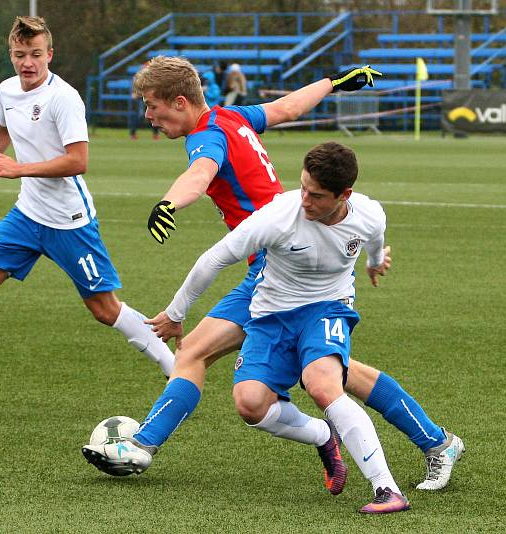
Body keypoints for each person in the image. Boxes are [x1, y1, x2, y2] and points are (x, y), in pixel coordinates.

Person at [82, 57, 463, 492]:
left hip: (278, 264)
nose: (148, 115)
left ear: (181, 102)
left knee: (201, 357)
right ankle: (419, 440)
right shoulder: (232, 117)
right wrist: (334, 81)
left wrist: (170, 202)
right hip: (285, 255)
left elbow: (200, 174)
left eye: (152, 106)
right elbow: (287, 109)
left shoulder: (206, 135)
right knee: (332, 374)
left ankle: (143, 445)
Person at [136, 142, 411, 513]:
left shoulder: (369, 213)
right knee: (250, 404)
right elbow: (213, 259)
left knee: (321, 383)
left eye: (316, 195)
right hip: (271, 316)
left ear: (344, 195)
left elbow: (375, 240)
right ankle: (323, 435)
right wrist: (175, 312)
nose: (304, 200)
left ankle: (386, 489)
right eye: (302, 187)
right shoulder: (278, 216)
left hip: (327, 309)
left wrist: (375, 263)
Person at [0, 16, 175, 408]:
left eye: (36, 55)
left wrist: (17, 169)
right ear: (11, 55)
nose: (28, 62)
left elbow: (78, 161)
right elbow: (2, 129)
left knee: (105, 310)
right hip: (27, 216)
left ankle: (175, 370)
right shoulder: (7, 90)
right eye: (20, 54)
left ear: (49, 55)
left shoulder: (64, 98)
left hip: (70, 222)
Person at [129, 63, 159, 140]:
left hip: (151, 99)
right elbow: (134, 91)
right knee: (140, 115)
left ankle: (155, 134)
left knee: (154, 116)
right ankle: (132, 134)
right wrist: (135, 94)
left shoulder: (154, 78)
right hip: (141, 99)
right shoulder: (138, 78)